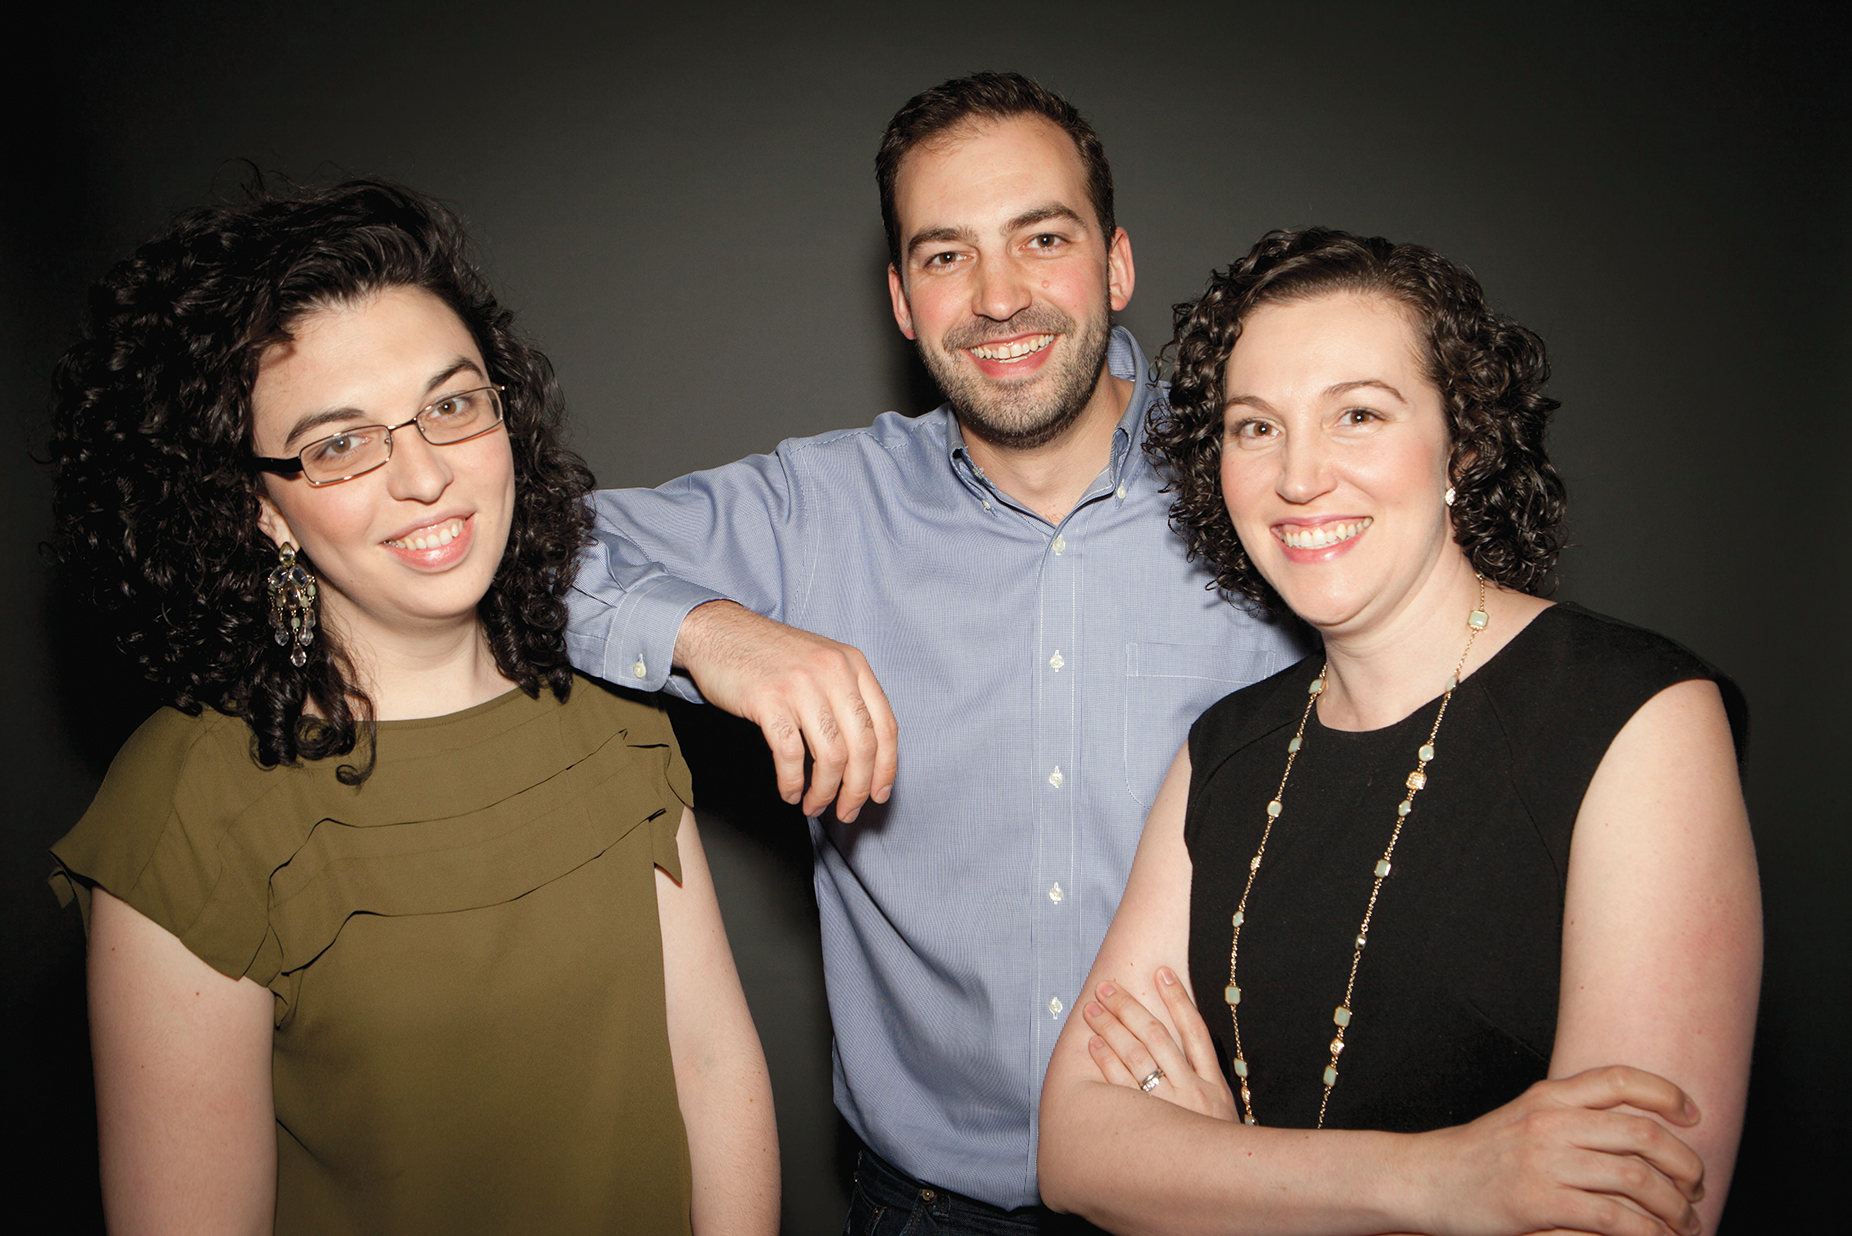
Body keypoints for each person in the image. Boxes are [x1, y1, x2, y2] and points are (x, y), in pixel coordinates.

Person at [564, 74, 1306, 1227]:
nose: (998, 297)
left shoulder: (1268, 482)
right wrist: (710, 631)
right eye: (945, 255)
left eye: (1040, 239)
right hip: (926, 1207)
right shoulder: (818, 506)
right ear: (903, 301)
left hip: (1224, 1186)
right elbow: (510, 548)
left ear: (1115, 265)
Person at [47, 180, 778, 1235]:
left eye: (450, 404)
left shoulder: (612, 717)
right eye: (340, 442)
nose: (426, 475)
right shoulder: (188, 810)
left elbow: (713, 1068)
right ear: (262, 509)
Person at [1036, 228, 1760, 1235]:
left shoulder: (1637, 718)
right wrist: (1445, 1181)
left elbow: (1628, 1214)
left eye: (1359, 415)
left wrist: (1221, 1182)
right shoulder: (1224, 750)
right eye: (1254, 428)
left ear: (1462, 439)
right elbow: (1073, 1151)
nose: (1298, 477)